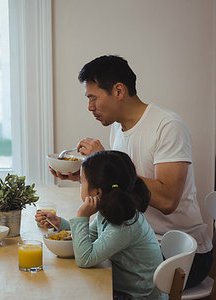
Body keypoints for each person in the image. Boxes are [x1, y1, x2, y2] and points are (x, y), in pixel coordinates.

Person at [50, 55, 212, 288]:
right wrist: (90, 178)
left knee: (83, 277)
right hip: (134, 240)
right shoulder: (117, 128)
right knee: (69, 267)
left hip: (178, 256)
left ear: (118, 91)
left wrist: (110, 166)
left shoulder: (167, 126)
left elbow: (168, 201)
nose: (89, 107)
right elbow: (124, 189)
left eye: (93, 98)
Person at [39, 151, 166, 299]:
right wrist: (60, 223)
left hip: (137, 296)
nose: (80, 185)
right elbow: (91, 236)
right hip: (127, 289)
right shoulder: (114, 209)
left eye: (81, 181)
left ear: (97, 192)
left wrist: (82, 216)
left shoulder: (124, 225)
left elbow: (85, 259)